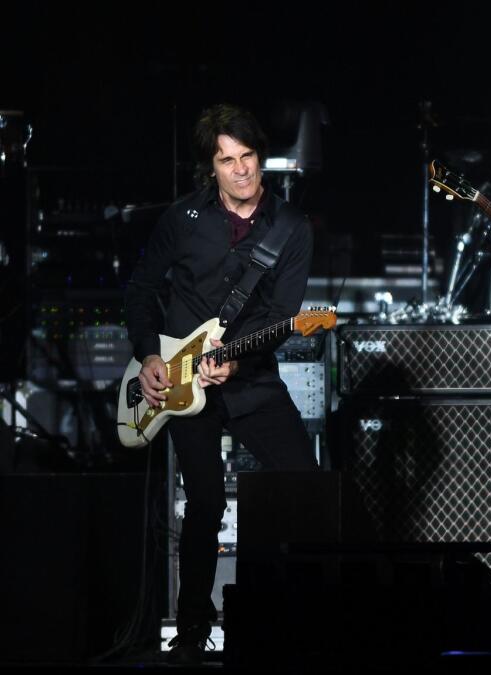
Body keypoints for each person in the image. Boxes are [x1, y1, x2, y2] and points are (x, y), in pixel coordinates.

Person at [125, 103, 317, 663]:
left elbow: (283, 312)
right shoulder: (182, 220)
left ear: (261, 159)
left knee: (301, 488)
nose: (240, 170)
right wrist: (147, 356)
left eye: (248, 157)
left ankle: (294, 620)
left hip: (251, 379)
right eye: (227, 160)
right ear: (211, 167)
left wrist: (235, 360)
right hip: (182, 386)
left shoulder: (291, 227)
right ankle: (190, 632)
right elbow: (140, 290)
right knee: (204, 505)